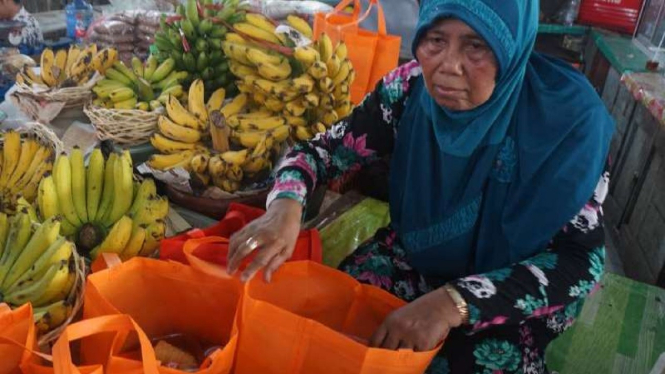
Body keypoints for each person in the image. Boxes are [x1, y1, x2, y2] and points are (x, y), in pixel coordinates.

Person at [227, 0, 614, 372]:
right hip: (419, 257)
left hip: (510, 290)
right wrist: (285, 206)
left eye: (476, 46)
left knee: (464, 363)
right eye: (435, 40)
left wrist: (452, 304)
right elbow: (319, 153)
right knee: (336, 329)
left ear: (510, 44)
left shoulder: (570, 126)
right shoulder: (409, 92)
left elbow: (579, 262)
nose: (448, 67)